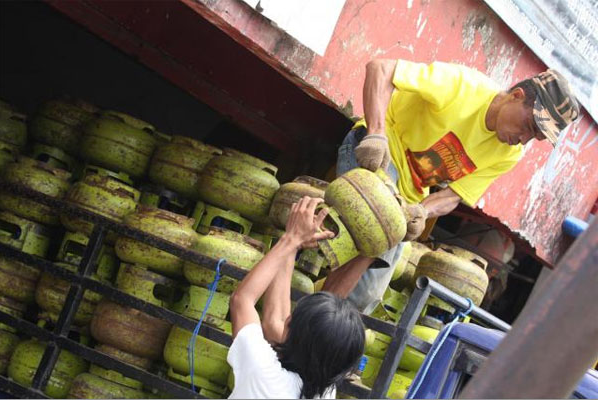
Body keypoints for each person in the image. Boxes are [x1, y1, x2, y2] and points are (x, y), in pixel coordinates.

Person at [323, 59, 579, 313]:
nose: (523, 140)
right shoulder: (465, 86)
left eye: (534, 137)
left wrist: (422, 211)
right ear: (516, 95)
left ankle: (315, 321)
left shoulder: (508, 155)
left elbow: (453, 196)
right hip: (376, 155)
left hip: (405, 198)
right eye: (528, 127)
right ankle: (309, 318)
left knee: (366, 295)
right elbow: (380, 68)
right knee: (376, 236)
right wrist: (376, 133)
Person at [228, 196, 366, 399]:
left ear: (290, 325)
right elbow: (277, 324)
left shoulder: (263, 373)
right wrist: (292, 247)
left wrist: (291, 238)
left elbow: (242, 300)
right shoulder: (325, 392)